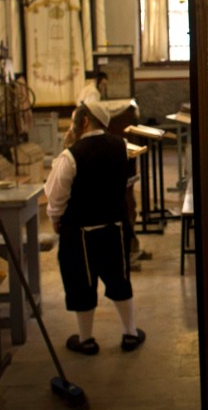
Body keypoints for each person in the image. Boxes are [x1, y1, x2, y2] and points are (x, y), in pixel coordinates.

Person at [45, 101, 145, 354]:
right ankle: (130, 333)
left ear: (85, 121)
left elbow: (56, 194)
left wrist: (55, 219)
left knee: (80, 282)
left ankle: (86, 339)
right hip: (114, 227)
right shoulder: (121, 146)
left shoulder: (71, 155)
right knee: (119, 278)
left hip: (79, 232)